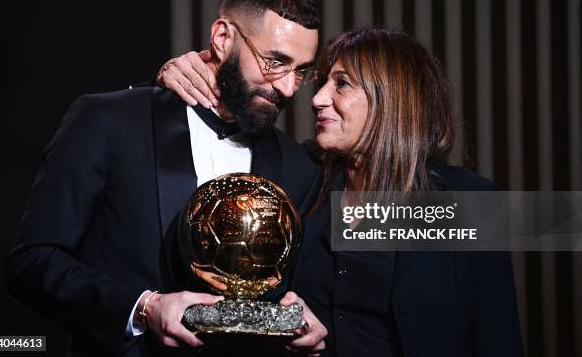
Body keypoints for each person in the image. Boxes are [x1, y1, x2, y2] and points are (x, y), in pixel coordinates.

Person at [6, 0, 327, 356]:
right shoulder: (109, 122)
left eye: (301, 72)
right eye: (275, 63)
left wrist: (306, 316)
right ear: (223, 38)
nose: (289, 88)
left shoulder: (300, 167)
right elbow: (31, 263)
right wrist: (142, 308)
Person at [159, 28, 524, 356]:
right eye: (321, 83)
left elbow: (498, 338)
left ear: (391, 98)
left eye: (342, 84)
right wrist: (171, 77)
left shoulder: (467, 200)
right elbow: (230, 122)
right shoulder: (306, 179)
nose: (317, 99)